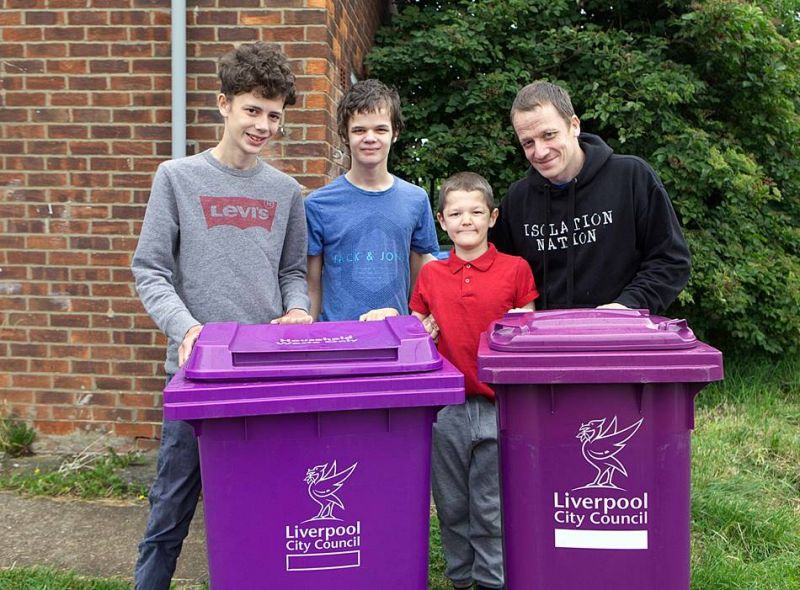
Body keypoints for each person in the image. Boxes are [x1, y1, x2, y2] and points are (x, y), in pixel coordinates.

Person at [130, 42, 312, 590]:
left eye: (274, 116)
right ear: (224, 104)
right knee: (170, 507)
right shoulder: (176, 178)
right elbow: (150, 270)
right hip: (197, 375)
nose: (263, 126)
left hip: (264, 375)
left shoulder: (286, 192)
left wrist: (298, 308)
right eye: (252, 110)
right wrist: (187, 329)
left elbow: (292, 271)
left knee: (269, 508)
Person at [410, 172, 538, 590]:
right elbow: (417, 325)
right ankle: (460, 575)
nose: (466, 220)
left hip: (498, 404)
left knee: (490, 502)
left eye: (476, 212)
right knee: (450, 501)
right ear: (442, 221)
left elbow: (528, 331)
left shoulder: (515, 269)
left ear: (493, 217)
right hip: (446, 406)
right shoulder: (431, 274)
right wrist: (422, 328)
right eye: (456, 213)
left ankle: (491, 578)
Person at [490, 80, 691, 313]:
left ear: (574, 125)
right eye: (528, 143)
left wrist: (628, 305)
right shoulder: (517, 199)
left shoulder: (631, 177)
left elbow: (670, 260)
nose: (540, 151)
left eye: (549, 135)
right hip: (544, 334)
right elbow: (494, 270)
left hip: (621, 330)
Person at [304, 79, 439, 322]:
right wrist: (308, 336)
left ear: (395, 133)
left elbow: (422, 278)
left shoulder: (416, 200)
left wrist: (416, 327)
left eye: (380, 129)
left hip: (395, 335)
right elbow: (311, 285)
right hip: (338, 337)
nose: (370, 138)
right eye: (359, 130)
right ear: (345, 134)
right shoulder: (318, 204)